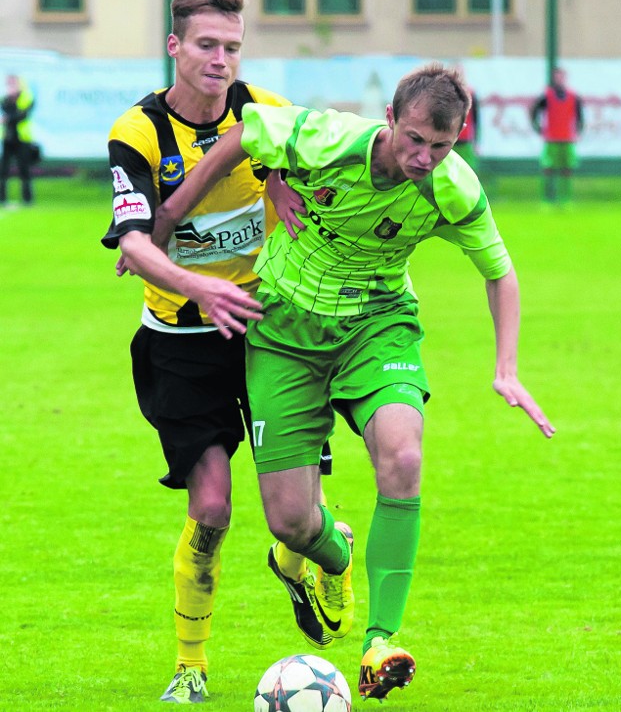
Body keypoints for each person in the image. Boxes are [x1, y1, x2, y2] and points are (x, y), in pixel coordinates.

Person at [152, 61, 556, 702]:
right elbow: (247, 131)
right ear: (390, 119)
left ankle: (380, 641)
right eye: (415, 139)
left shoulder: (453, 188)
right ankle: (331, 552)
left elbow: (500, 272)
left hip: (378, 325)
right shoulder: (328, 138)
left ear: (461, 137)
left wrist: (507, 369)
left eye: (441, 146)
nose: (424, 157)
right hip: (283, 329)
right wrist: (170, 213)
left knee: (404, 455)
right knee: (289, 522)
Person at [100, 0, 333, 704]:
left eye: (232, 47)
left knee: (296, 515)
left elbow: (336, 162)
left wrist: (285, 180)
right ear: (175, 46)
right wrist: (197, 285)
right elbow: (133, 245)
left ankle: (309, 562)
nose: (220, 59)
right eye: (206, 45)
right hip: (181, 339)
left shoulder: (267, 113)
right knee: (210, 508)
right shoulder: (136, 133)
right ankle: (191, 665)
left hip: (268, 332)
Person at [530, 66, 584, 203]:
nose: (560, 79)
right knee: (548, 168)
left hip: (567, 138)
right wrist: (538, 128)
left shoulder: (573, 96)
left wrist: (578, 132)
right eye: (557, 76)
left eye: (562, 76)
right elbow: (534, 111)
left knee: (567, 169)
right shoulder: (547, 96)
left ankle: (565, 198)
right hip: (551, 139)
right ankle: (548, 198)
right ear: (554, 78)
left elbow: (579, 116)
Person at [0, 74, 35, 205]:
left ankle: (27, 199)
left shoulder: (26, 97)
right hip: (8, 138)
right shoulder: (5, 99)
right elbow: (5, 110)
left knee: (24, 169)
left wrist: (8, 119)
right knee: (3, 170)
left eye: (13, 84)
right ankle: (2, 198)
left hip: (22, 138)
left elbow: (22, 115)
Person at [452, 65, 480, 171]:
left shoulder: (471, 93)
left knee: (468, 169)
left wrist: (476, 141)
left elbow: (476, 119)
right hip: (450, 139)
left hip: (466, 140)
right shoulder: (446, 93)